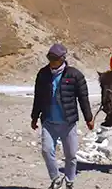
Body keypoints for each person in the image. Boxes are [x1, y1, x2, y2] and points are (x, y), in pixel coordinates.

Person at [31, 43, 94, 189]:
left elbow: (83, 98)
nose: (51, 61)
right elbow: (38, 97)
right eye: (49, 58)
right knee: (46, 151)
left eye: (54, 58)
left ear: (62, 58)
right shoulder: (43, 74)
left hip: (68, 122)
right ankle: (56, 179)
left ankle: (70, 181)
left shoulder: (74, 75)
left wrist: (89, 118)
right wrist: (34, 117)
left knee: (71, 155)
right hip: (48, 121)